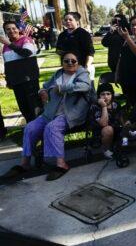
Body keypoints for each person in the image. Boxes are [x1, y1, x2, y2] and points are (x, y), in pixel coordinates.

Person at [6, 52, 92, 181]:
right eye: (66, 61)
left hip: (71, 113)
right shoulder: (58, 73)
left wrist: (62, 88)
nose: (69, 63)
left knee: (52, 127)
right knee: (30, 127)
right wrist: (43, 91)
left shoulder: (82, 73)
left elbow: (85, 86)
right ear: (62, 62)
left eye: (73, 61)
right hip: (51, 112)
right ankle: (25, 163)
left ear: (78, 62)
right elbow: (45, 86)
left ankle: (61, 164)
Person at [1, 21, 42, 122]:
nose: (11, 31)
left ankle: (40, 128)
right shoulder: (6, 46)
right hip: (16, 81)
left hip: (29, 80)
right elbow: (7, 64)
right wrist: (8, 80)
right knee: (23, 107)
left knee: (34, 106)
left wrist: (9, 43)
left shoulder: (26, 40)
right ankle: (31, 128)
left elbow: (26, 53)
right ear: (5, 31)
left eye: (13, 28)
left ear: (18, 29)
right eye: (8, 29)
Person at [56, 12, 95, 80]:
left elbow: (90, 52)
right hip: (68, 69)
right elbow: (59, 51)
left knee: (87, 89)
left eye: (70, 19)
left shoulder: (83, 34)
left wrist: (87, 66)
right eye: (66, 20)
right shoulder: (62, 35)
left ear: (77, 21)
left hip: (82, 67)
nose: (67, 21)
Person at [91, 83, 123, 159]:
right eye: (103, 94)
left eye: (108, 94)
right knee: (108, 129)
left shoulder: (115, 104)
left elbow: (121, 118)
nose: (106, 97)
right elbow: (104, 124)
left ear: (112, 95)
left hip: (116, 129)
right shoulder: (95, 106)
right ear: (99, 96)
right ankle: (106, 150)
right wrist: (104, 106)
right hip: (102, 133)